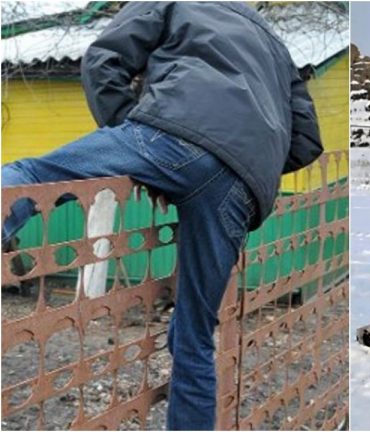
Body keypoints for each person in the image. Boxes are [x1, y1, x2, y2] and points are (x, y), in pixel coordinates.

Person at [1, 2, 323, 430]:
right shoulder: (275, 45)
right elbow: (306, 139)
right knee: (193, 340)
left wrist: (134, 133)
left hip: (170, 135)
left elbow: (104, 59)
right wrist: (243, 164)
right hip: (240, 186)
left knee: (33, 175)